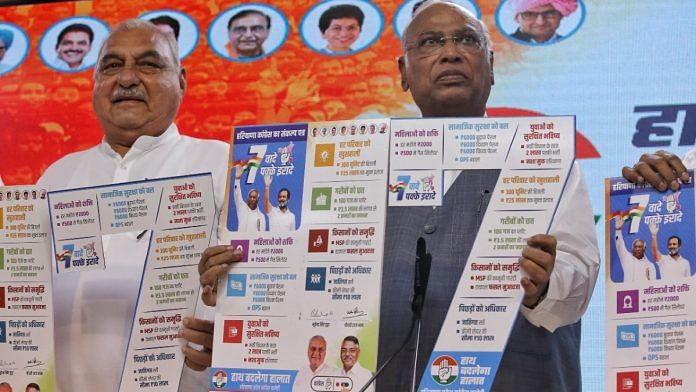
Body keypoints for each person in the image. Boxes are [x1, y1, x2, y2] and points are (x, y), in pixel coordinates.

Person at [199, 1, 598, 390]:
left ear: (491, 65)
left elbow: (575, 288)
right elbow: (300, 288)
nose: (450, 54)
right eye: (430, 43)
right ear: (403, 72)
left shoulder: (546, 161)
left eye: (467, 41)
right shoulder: (347, 166)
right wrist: (243, 295)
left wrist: (546, 285)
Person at [37, 19, 230, 391]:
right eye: (111, 66)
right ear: (94, 83)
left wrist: (232, 340)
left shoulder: (223, 165)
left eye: (148, 64)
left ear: (182, 80)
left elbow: (268, 297)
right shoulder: (57, 179)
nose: (127, 78)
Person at [509, 0, 578, 44]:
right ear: (517, 18)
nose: (540, 22)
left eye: (549, 13)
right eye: (530, 14)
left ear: (561, 16)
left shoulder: (573, 45)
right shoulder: (504, 45)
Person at [613, 216, 657, 282]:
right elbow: (619, 245)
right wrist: (618, 230)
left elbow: (652, 283)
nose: (637, 249)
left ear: (644, 249)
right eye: (635, 247)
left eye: (639, 247)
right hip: (628, 291)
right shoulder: (627, 258)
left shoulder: (650, 266)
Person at [233, 165, 266, 231]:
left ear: (257, 199)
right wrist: (237, 179)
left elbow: (262, 235)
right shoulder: (242, 207)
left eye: (254, 197)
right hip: (240, 241)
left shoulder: (261, 216)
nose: (251, 199)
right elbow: (237, 194)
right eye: (250, 197)